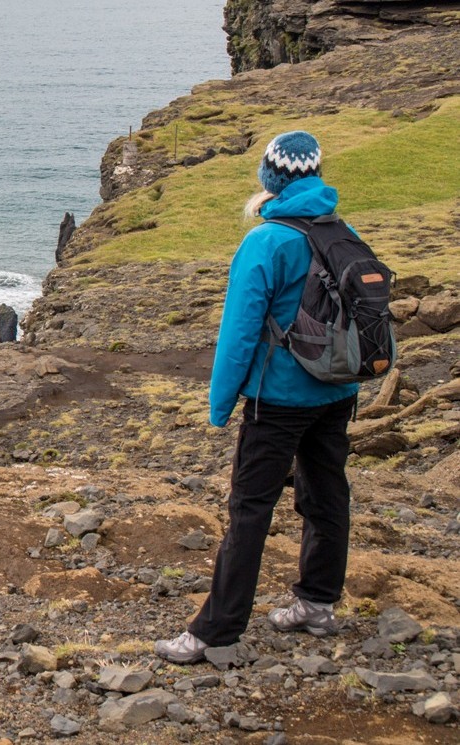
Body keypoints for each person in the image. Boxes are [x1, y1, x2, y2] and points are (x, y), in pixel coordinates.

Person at [155, 131, 362, 664]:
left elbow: (240, 331)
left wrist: (221, 404)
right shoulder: (343, 231)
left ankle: (214, 631)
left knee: (249, 509)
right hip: (339, 389)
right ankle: (316, 604)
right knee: (326, 495)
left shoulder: (266, 242)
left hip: (280, 398)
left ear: (270, 179)